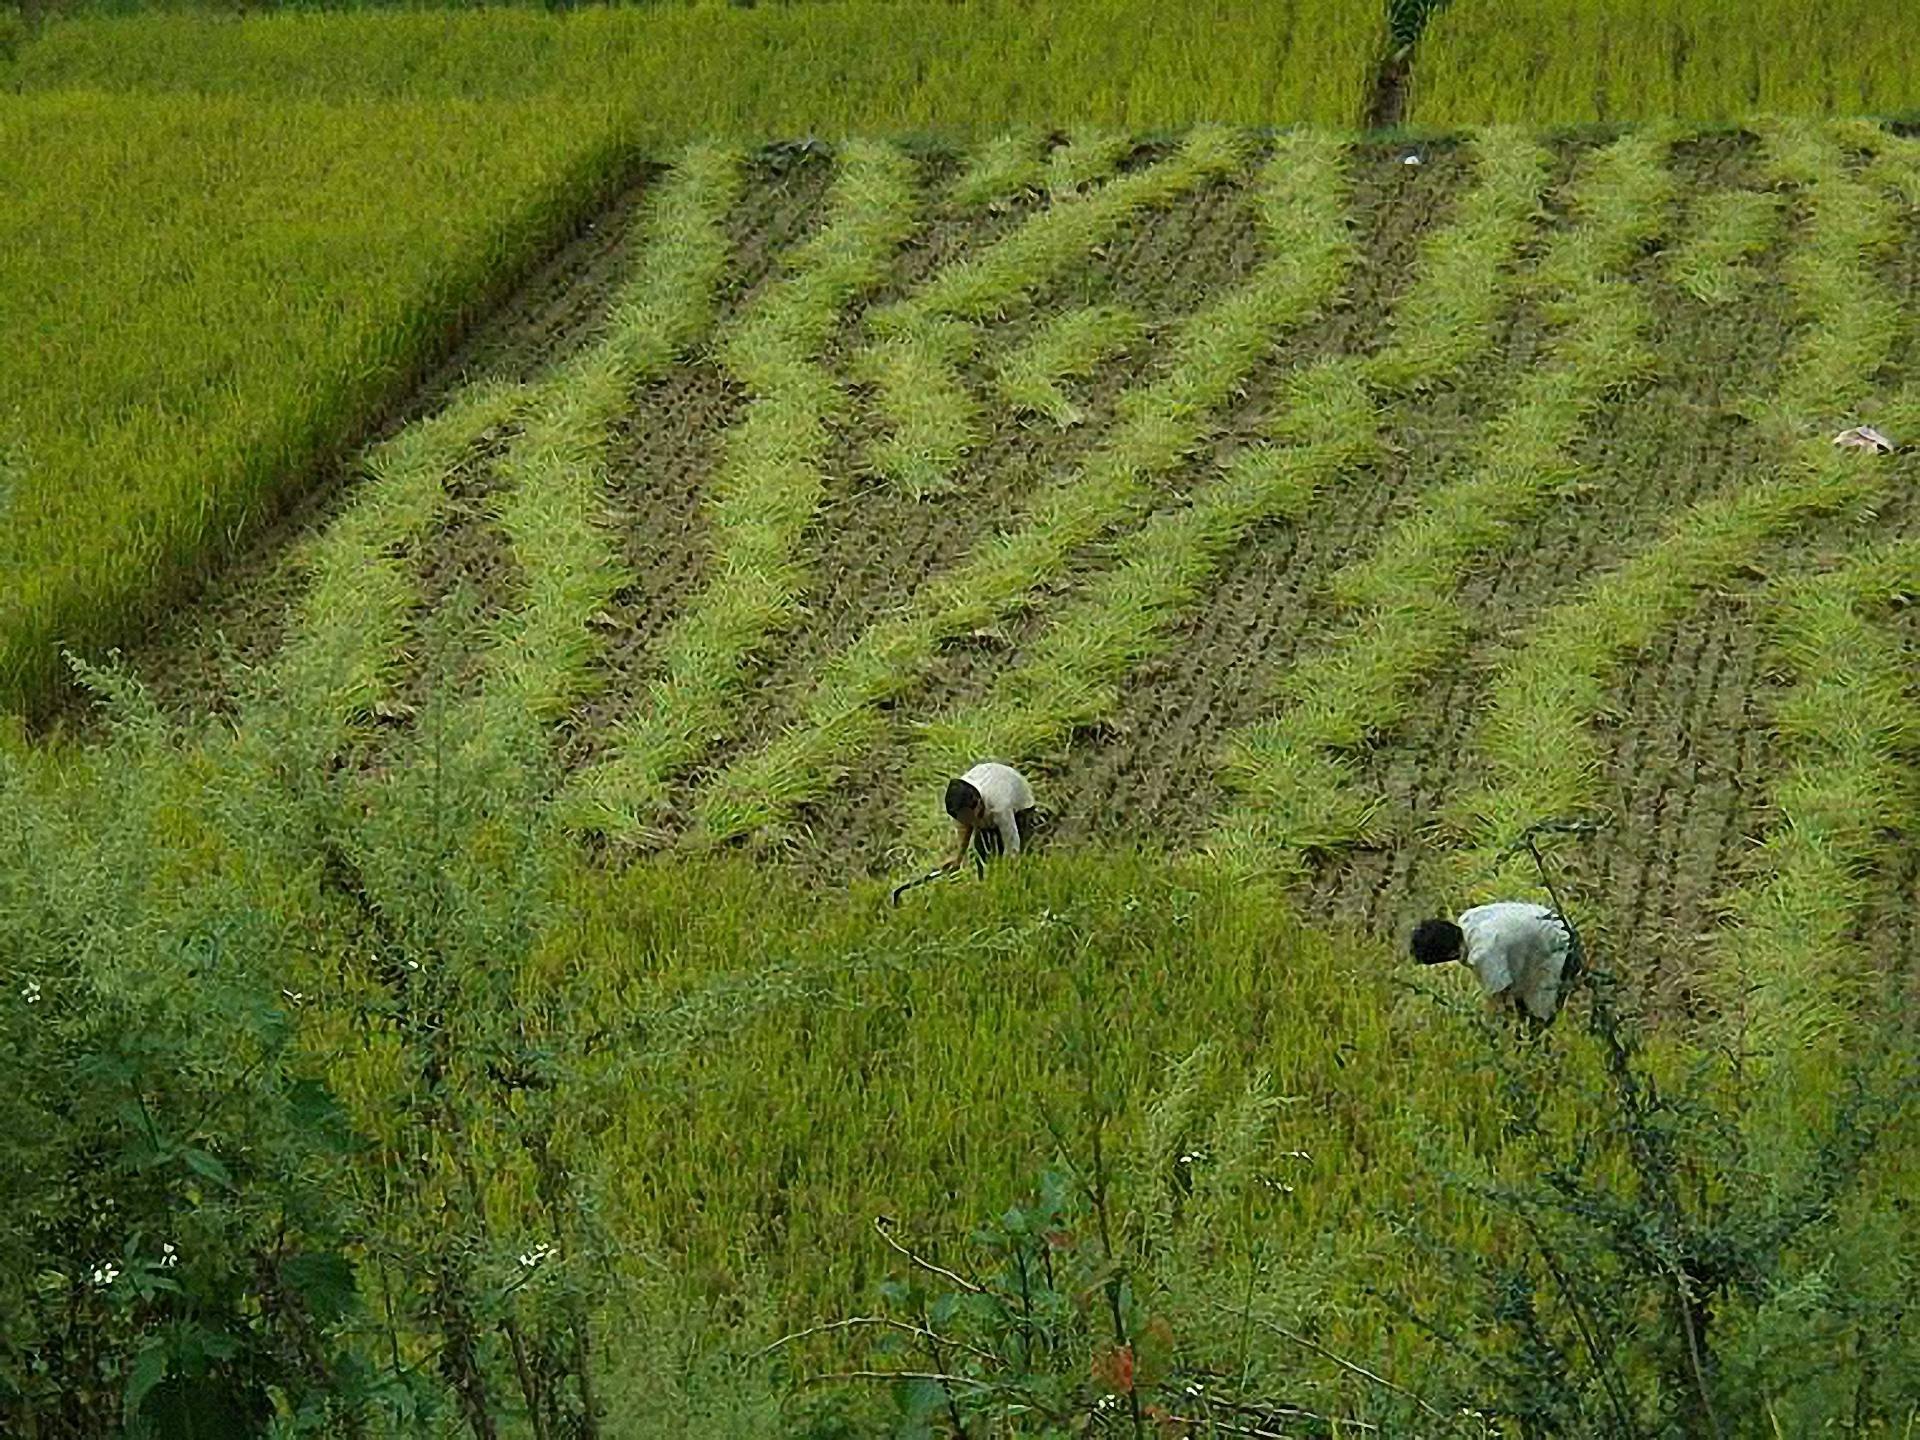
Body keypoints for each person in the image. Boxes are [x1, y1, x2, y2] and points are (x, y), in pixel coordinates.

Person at [1409, 900, 1581, 1029]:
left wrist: (1485, 1031)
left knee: (1539, 1021)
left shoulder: (1483, 953)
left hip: (1559, 946)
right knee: (1523, 1003)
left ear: (1449, 955)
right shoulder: (1469, 919)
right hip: (1551, 924)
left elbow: (1499, 1002)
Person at [941, 761, 1037, 871]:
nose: (966, 822)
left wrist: (1008, 870)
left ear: (977, 804)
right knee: (983, 853)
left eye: (968, 818)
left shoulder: (1000, 805)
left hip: (1020, 803)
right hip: (988, 779)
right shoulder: (959, 800)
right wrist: (958, 858)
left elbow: (1011, 844)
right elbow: (964, 829)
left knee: (1024, 851)